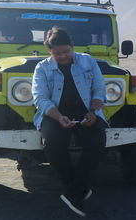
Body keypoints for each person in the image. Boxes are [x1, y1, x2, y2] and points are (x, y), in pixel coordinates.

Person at [32, 26, 107, 217]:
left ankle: (74, 192)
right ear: (49, 51)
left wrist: (93, 112)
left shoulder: (88, 61)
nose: (63, 56)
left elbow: (99, 88)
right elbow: (40, 98)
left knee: (98, 140)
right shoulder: (42, 68)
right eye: (57, 53)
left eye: (66, 51)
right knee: (52, 143)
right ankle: (76, 188)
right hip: (55, 114)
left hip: (86, 112)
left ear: (72, 46)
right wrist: (59, 117)